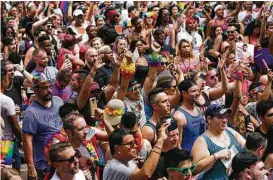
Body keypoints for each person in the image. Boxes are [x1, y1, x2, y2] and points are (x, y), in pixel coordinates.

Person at [22, 73, 63, 179]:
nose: (49, 90)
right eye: (45, 88)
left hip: (62, 163)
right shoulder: (31, 113)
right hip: (44, 167)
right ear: (35, 90)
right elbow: (27, 141)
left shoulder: (58, 101)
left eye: (50, 86)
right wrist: (31, 167)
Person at [191, 104, 245, 179]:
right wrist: (215, 156)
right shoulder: (202, 140)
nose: (225, 120)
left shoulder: (230, 131)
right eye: (220, 117)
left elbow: (247, 147)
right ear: (209, 119)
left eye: (226, 117)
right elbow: (195, 169)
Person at [103, 122, 169, 180]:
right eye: (130, 144)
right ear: (117, 149)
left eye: (134, 142)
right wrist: (160, 140)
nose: (135, 146)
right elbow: (145, 175)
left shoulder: (128, 160)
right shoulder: (114, 167)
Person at [63, 113, 106, 180]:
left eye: (85, 127)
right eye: (81, 129)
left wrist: (104, 119)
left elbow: (112, 137)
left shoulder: (88, 142)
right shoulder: (64, 154)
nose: (86, 131)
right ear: (69, 132)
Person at [0, 61, 22, 171]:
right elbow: (15, 126)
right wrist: (22, 139)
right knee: (10, 170)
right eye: (7, 79)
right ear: (3, 81)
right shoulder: (6, 100)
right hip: (6, 143)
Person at [173, 80, 205, 151]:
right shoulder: (179, 117)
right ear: (184, 93)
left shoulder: (198, 109)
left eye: (198, 90)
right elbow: (177, 146)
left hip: (202, 154)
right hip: (189, 158)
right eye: (193, 91)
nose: (197, 93)